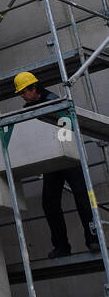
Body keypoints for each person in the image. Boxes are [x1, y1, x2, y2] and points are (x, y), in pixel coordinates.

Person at [15, 71, 98, 257]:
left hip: (69, 157)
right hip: (53, 160)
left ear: (33, 88)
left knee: (83, 199)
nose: (22, 95)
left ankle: (93, 240)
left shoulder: (53, 101)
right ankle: (61, 246)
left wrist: (57, 147)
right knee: (50, 203)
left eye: (23, 92)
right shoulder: (32, 107)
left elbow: (66, 129)